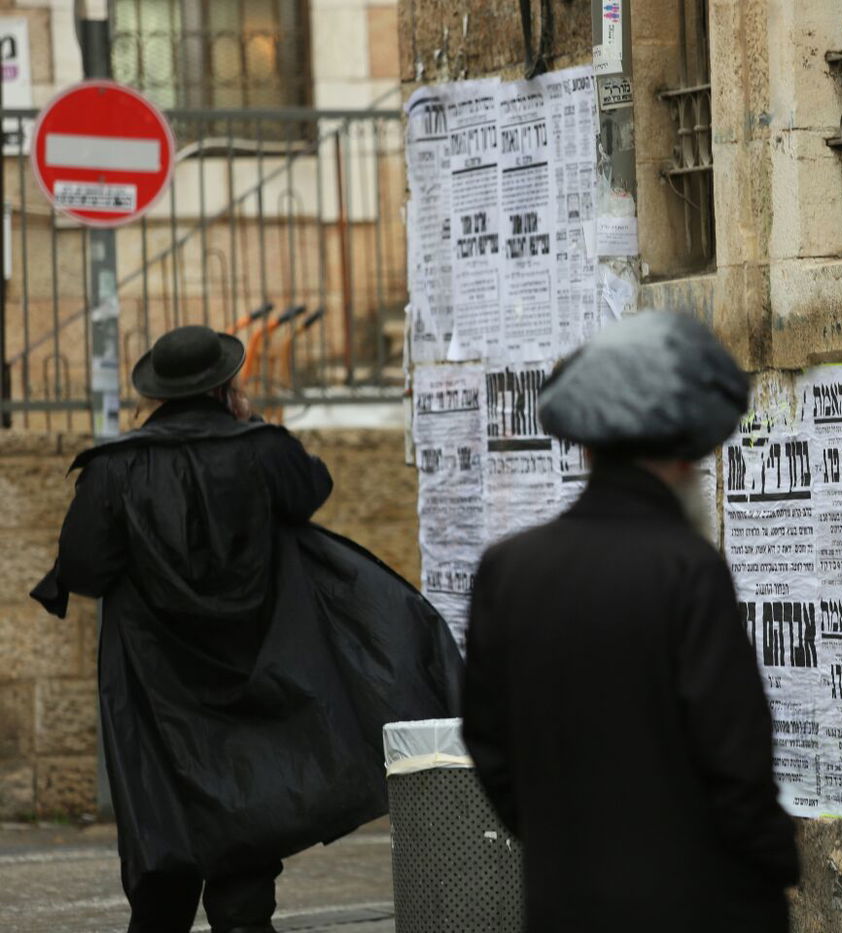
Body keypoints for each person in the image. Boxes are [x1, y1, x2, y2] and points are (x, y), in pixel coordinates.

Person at [32, 325, 462, 933]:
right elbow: (310, 491)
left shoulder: (114, 467)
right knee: (249, 806)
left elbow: (84, 569)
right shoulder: (262, 448)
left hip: (156, 683)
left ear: (157, 391)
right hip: (258, 663)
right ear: (225, 385)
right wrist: (252, 425)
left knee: (165, 820)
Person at [460, 310, 800, 932]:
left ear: (588, 447)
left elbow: (489, 742)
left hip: (564, 902)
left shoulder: (508, 570)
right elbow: (734, 761)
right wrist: (775, 865)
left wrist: (564, 844)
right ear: (680, 455)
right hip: (696, 905)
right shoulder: (687, 570)